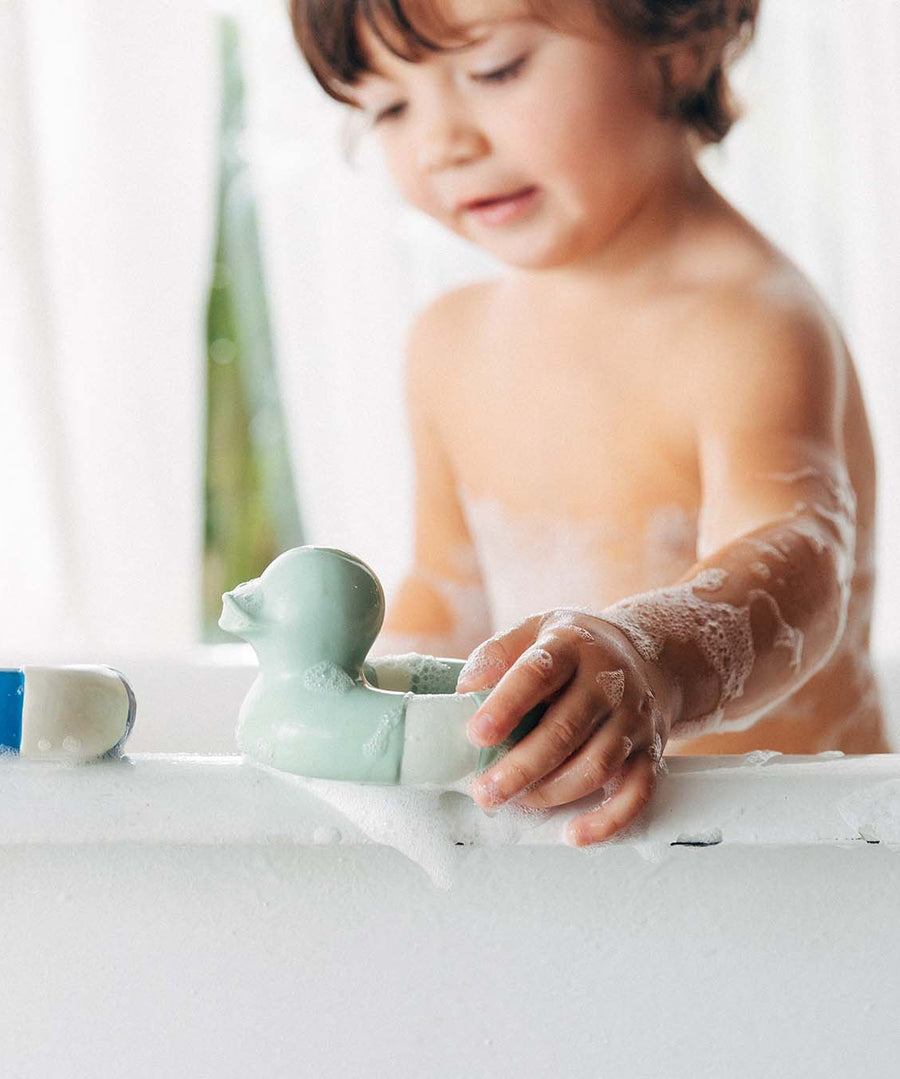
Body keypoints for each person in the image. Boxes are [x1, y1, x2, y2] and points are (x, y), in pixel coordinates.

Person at [289, 0, 891, 846]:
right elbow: (447, 592)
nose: (440, 144)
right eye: (388, 108)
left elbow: (801, 566)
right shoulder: (448, 344)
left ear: (676, 44)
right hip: (582, 871)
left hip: (793, 861)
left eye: (496, 71)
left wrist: (653, 659)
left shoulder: (746, 323)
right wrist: (365, 695)